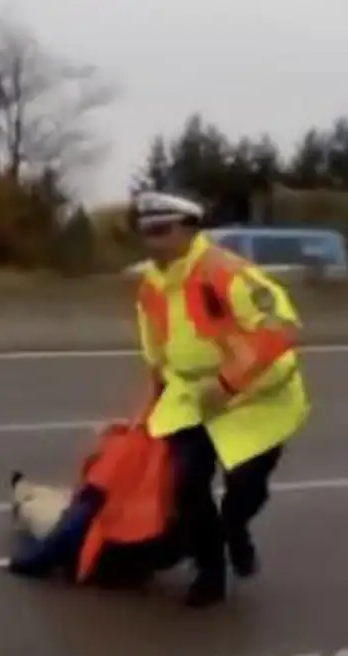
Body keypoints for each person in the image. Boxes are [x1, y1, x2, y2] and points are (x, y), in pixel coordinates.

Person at [128, 191, 312, 608]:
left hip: (256, 394)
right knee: (187, 485)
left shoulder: (226, 272)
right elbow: (155, 348)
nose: (153, 242)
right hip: (193, 396)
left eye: (162, 230)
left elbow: (279, 328)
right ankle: (209, 572)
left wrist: (228, 383)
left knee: (245, 487)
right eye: (146, 232)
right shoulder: (150, 286)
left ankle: (235, 528)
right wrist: (155, 396)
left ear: (189, 229)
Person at [6, 422, 185, 587]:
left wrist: (34, 562)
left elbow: (74, 525)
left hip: (100, 556)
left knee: (42, 509)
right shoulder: (173, 458)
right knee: (66, 499)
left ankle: (23, 492)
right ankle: (27, 489)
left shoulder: (122, 455)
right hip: (144, 557)